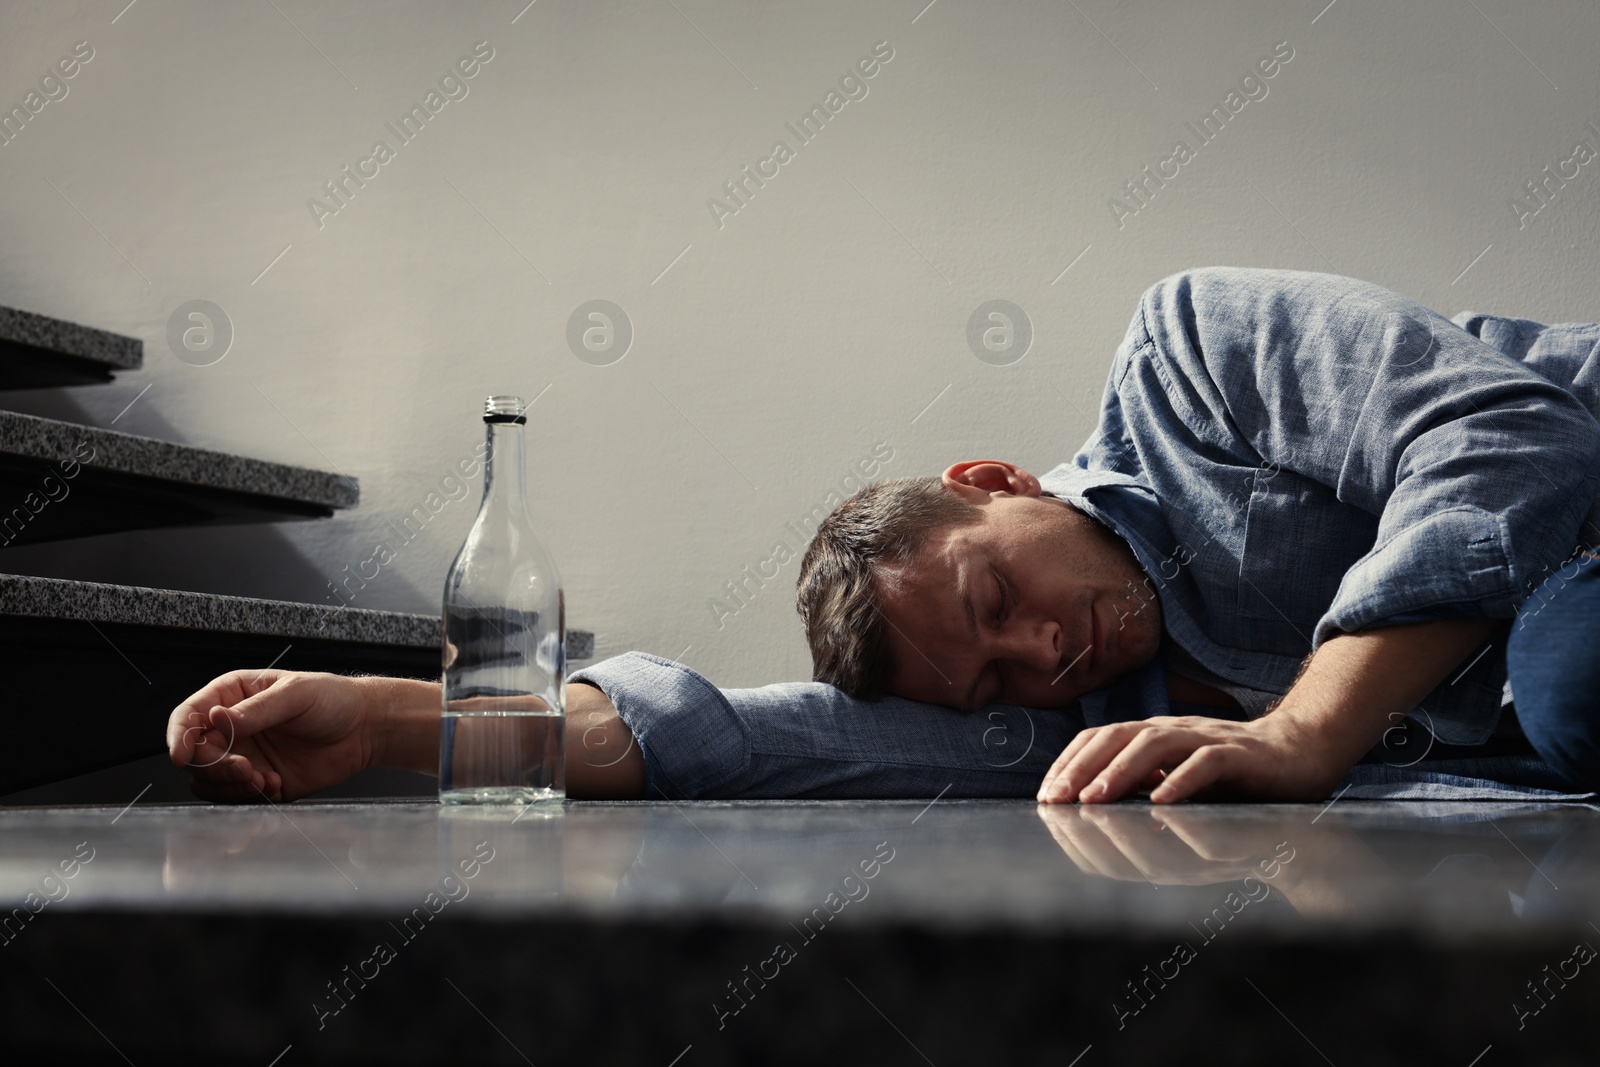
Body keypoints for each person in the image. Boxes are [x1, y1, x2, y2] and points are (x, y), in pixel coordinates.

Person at [167, 267, 1600, 805]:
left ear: (988, 480)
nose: (1042, 652)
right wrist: (400, 717)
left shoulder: (1190, 357)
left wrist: (1304, 733)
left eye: (996, 593)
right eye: (990, 681)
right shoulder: (1087, 726)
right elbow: (737, 735)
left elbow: (1511, 445)